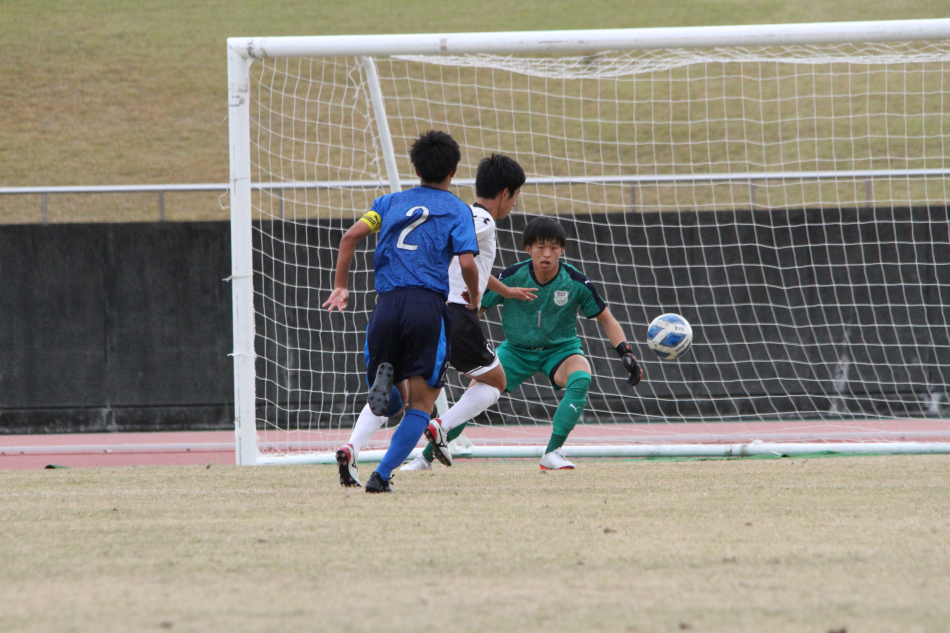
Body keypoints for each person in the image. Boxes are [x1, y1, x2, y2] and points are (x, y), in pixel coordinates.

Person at [415, 216, 643, 471]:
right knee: (474, 391)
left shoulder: (576, 281)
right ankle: (425, 458)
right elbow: (474, 309)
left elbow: (607, 318)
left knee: (581, 376)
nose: (547, 254)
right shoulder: (511, 277)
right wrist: (447, 338)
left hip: (560, 350)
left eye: (554, 248)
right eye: (540, 247)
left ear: (562, 250)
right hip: (515, 351)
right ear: (528, 249)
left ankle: (552, 453)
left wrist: (626, 352)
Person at [323, 130, 480, 493]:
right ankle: (382, 475)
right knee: (423, 404)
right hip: (426, 306)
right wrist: (474, 296)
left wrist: (341, 285)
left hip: (387, 306)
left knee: (393, 396)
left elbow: (349, 237)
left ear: (415, 167)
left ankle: (388, 390)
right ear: (453, 171)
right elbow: (468, 263)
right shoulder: (457, 209)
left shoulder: (387, 204)